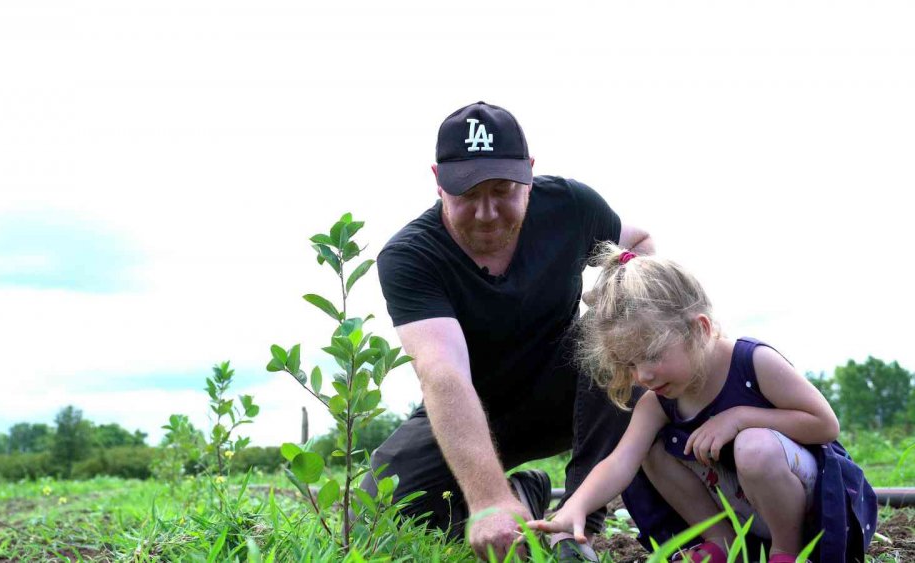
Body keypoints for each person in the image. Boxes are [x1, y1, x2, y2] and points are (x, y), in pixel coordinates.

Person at [361, 101, 654, 561]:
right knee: (375, 508)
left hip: (569, 391)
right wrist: (489, 501)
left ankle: (576, 526)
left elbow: (637, 243)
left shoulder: (571, 208)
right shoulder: (412, 256)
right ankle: (522, 494)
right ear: (438, 183)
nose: (486, 212)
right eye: (467, 194)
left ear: (529, 175)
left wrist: (617, 289)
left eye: (502, 190)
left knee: (617, 327)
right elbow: (444, 375)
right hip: (470, 409)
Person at [527, 243, 878, 563]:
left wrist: (740, 418)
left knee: (753, 445)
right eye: (630, 364)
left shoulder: (752, 363)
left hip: (813, 509)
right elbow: (620, 461)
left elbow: (824, 425)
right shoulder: (657, 402)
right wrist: (576, 506)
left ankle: (786, 553)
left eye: (650, 355)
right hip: (746, 510)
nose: (642, 376)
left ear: (700, 329)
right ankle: (724, 545)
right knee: (649, 450)